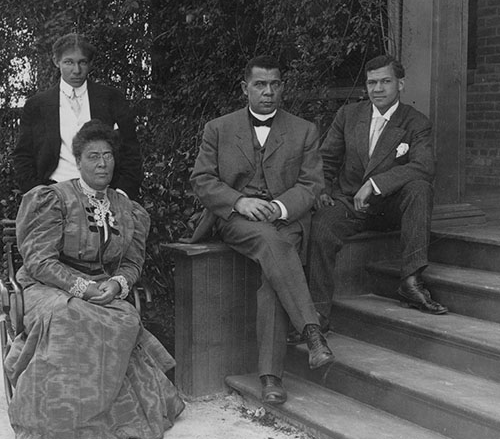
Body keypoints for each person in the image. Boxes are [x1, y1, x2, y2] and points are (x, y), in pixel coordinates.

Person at [5, 120, 184, 438]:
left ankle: (106, 413)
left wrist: (117, 284)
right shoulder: (54, 198)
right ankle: (62, 418)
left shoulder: (127, 208)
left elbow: (131, 263)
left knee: (125, 317)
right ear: (78, 161)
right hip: (45, 285)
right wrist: (82, 287)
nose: (102, 163)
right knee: (68, 314)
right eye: (93, 156)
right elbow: (39, 261)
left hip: (102, 286)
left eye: (108, 155)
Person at [190, 55, 335, 406]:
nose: (268, 92)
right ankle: (312, 331)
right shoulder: (218, 128)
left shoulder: (304, 130)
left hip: (286, 218)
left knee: (274, 271)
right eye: (260, 85)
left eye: (274, 84)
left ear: (282, 87)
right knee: (272, 243)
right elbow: (202, 179)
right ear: (245, 88)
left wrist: (281, 206)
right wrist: (239, 202)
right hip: (237, 220)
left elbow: (312, 183)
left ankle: (271, 379)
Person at [308, 54, 448, 321]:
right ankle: (317, 314)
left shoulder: (415, 122)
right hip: (350, 204)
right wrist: (322, 190)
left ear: (401, 84)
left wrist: (374, 184)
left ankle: (411, 281)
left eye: (385, 81)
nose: (378, 89)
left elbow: (424, 167)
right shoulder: (349, 115)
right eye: (372, 83)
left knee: (420, 187)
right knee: (322, 224)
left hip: (391, 207)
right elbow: (326, 161)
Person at [13, 32, 143, 200]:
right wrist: (37, 192)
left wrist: (121, 193)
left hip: (105, 194)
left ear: (90, 64)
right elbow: (23, 156)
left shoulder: (112, 98)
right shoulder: (37, 105)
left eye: (82, 62)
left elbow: (131, 151)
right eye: (68, 62)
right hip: (53, 195)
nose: (76, 70)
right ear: (56, 61)